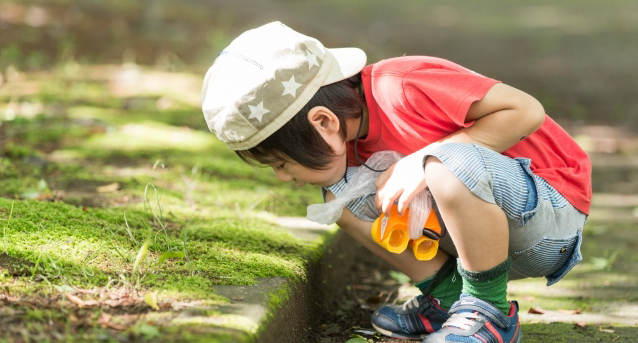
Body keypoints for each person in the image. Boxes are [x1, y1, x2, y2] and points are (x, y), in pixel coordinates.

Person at [201, 21, 591, 343]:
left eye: (282, 163)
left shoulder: (402, 85)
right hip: (484, 232)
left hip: (548, 214)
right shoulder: (348, 142)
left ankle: (489, 313)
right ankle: (450, 299)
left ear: (324, 123)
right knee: (340, 198)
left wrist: (423, 159)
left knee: (442, 165)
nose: (283, 177)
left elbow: (526, 110)